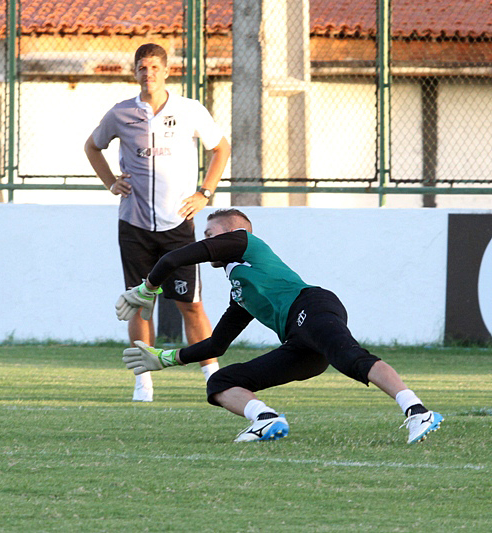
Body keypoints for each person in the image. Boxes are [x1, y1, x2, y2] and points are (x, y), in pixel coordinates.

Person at [116, 208, 444, 444]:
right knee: (220, 382)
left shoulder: (245, 244)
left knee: (350, 358)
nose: (205, 240)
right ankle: (265, 419)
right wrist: (163, 358)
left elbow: (173, 259)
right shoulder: (240, 289)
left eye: (210, 234)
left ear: (233, 233)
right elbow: (216, 346)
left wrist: (148, 288)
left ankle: (417, 411)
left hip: (312, 306)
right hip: (299, 342)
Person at [84, 43, 231, 401]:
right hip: (134, 225)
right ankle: (143, 382)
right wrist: (110, 182)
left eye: (153, 67)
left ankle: (214, 378)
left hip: (177, 226)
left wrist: (205, 193)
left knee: (191, 305)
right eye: (141, 68)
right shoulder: (121, 114)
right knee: (139, 303)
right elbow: (92, 146)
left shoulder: (189, 110)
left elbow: (220, 148)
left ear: (167, 71)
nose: (147, 73)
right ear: (134, 72)